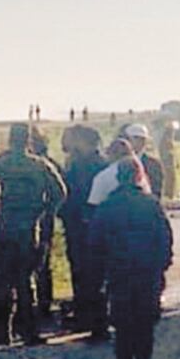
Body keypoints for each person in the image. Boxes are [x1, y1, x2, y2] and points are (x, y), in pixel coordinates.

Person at [91, 158, 173, 359]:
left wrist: (102, 270)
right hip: (147, 273)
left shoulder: (107, 206)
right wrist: (162, 265)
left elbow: (95, 242)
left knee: (123, 324)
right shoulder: (151, 204)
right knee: (145, 324)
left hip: (119, 273)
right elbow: (165, 237)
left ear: (118, 178)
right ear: (139, 176)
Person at [0, 124, 66, 345]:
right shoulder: (39, 165)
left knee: (1, 280)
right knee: (25, 281)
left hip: (1, 228)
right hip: (29, 228)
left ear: (10, 140)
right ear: (28, 140)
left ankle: (2, 332)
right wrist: (45, 212)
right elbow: (60, 193)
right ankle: (29, 332)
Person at [58, 126, 108, 333]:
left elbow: (71, 195)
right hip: (94, 225)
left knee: (84, 272)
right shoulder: (103, 165)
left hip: (81, 225)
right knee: (94, 273)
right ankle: (93, 316)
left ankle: (89, 317)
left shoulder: (81, 166)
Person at [29, 126, 59, 317]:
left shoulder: (3, 162)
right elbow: (61, 193)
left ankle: (31, 311)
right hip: (42, 222)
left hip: (19, 224)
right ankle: (43, 307)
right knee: (42, 265)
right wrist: (49, 211)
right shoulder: (48, 164)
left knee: (28, 269)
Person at [123, 124, 164, 202]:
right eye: (135, 138)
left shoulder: (154, 164)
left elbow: (157, 190)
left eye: (142, 139)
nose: (139, 142)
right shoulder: (118, 161)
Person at [158, 122, 178, 200]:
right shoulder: (165, 139)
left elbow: (173, 151)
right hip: (167, 162)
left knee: (172, 178)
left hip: (170, 161)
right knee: (168, 178)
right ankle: (168, 195)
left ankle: (171, 194)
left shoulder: (170, 139)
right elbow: (163, 150)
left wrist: (176, 161)